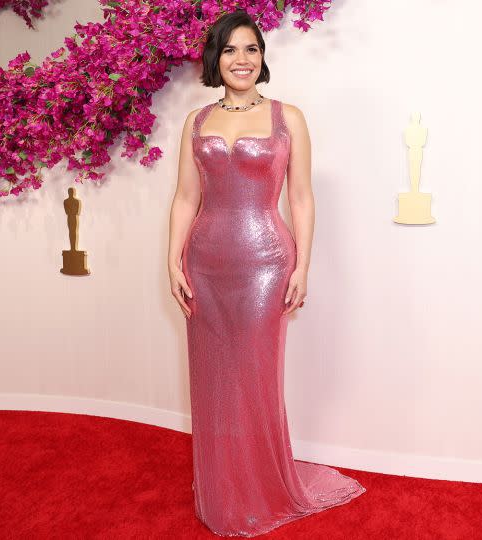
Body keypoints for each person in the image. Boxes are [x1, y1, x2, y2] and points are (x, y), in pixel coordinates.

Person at [166, 9, 366, 537]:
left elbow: (301, 197)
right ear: (216, 58)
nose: (241, 59)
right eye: (230, 49)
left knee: (254, 379)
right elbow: (186, 198)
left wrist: (303, 263)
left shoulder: (288, 117)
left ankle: (261, 487)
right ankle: (222, 490)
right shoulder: (196, 121)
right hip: (205, 263)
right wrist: (171, 257)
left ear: (262, 57)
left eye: (250, 49)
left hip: (265, 264)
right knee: (212, 380)